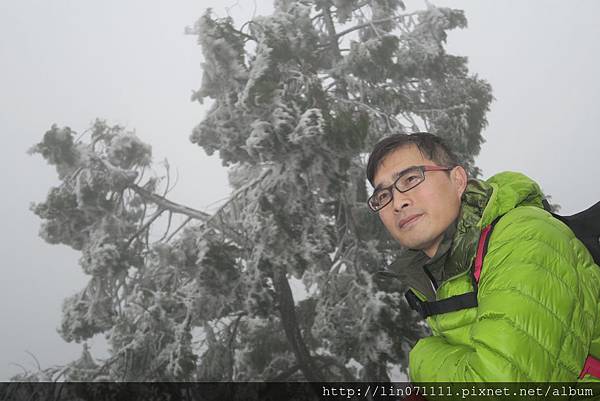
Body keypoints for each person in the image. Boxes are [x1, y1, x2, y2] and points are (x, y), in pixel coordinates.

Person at [366, 132, 600, 382]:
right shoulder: (439, 275)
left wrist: (422, 359)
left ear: (457, 180)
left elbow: (501, 386)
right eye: (383, 196)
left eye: (411, 178)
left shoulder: (523, 235)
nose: (397, 202)